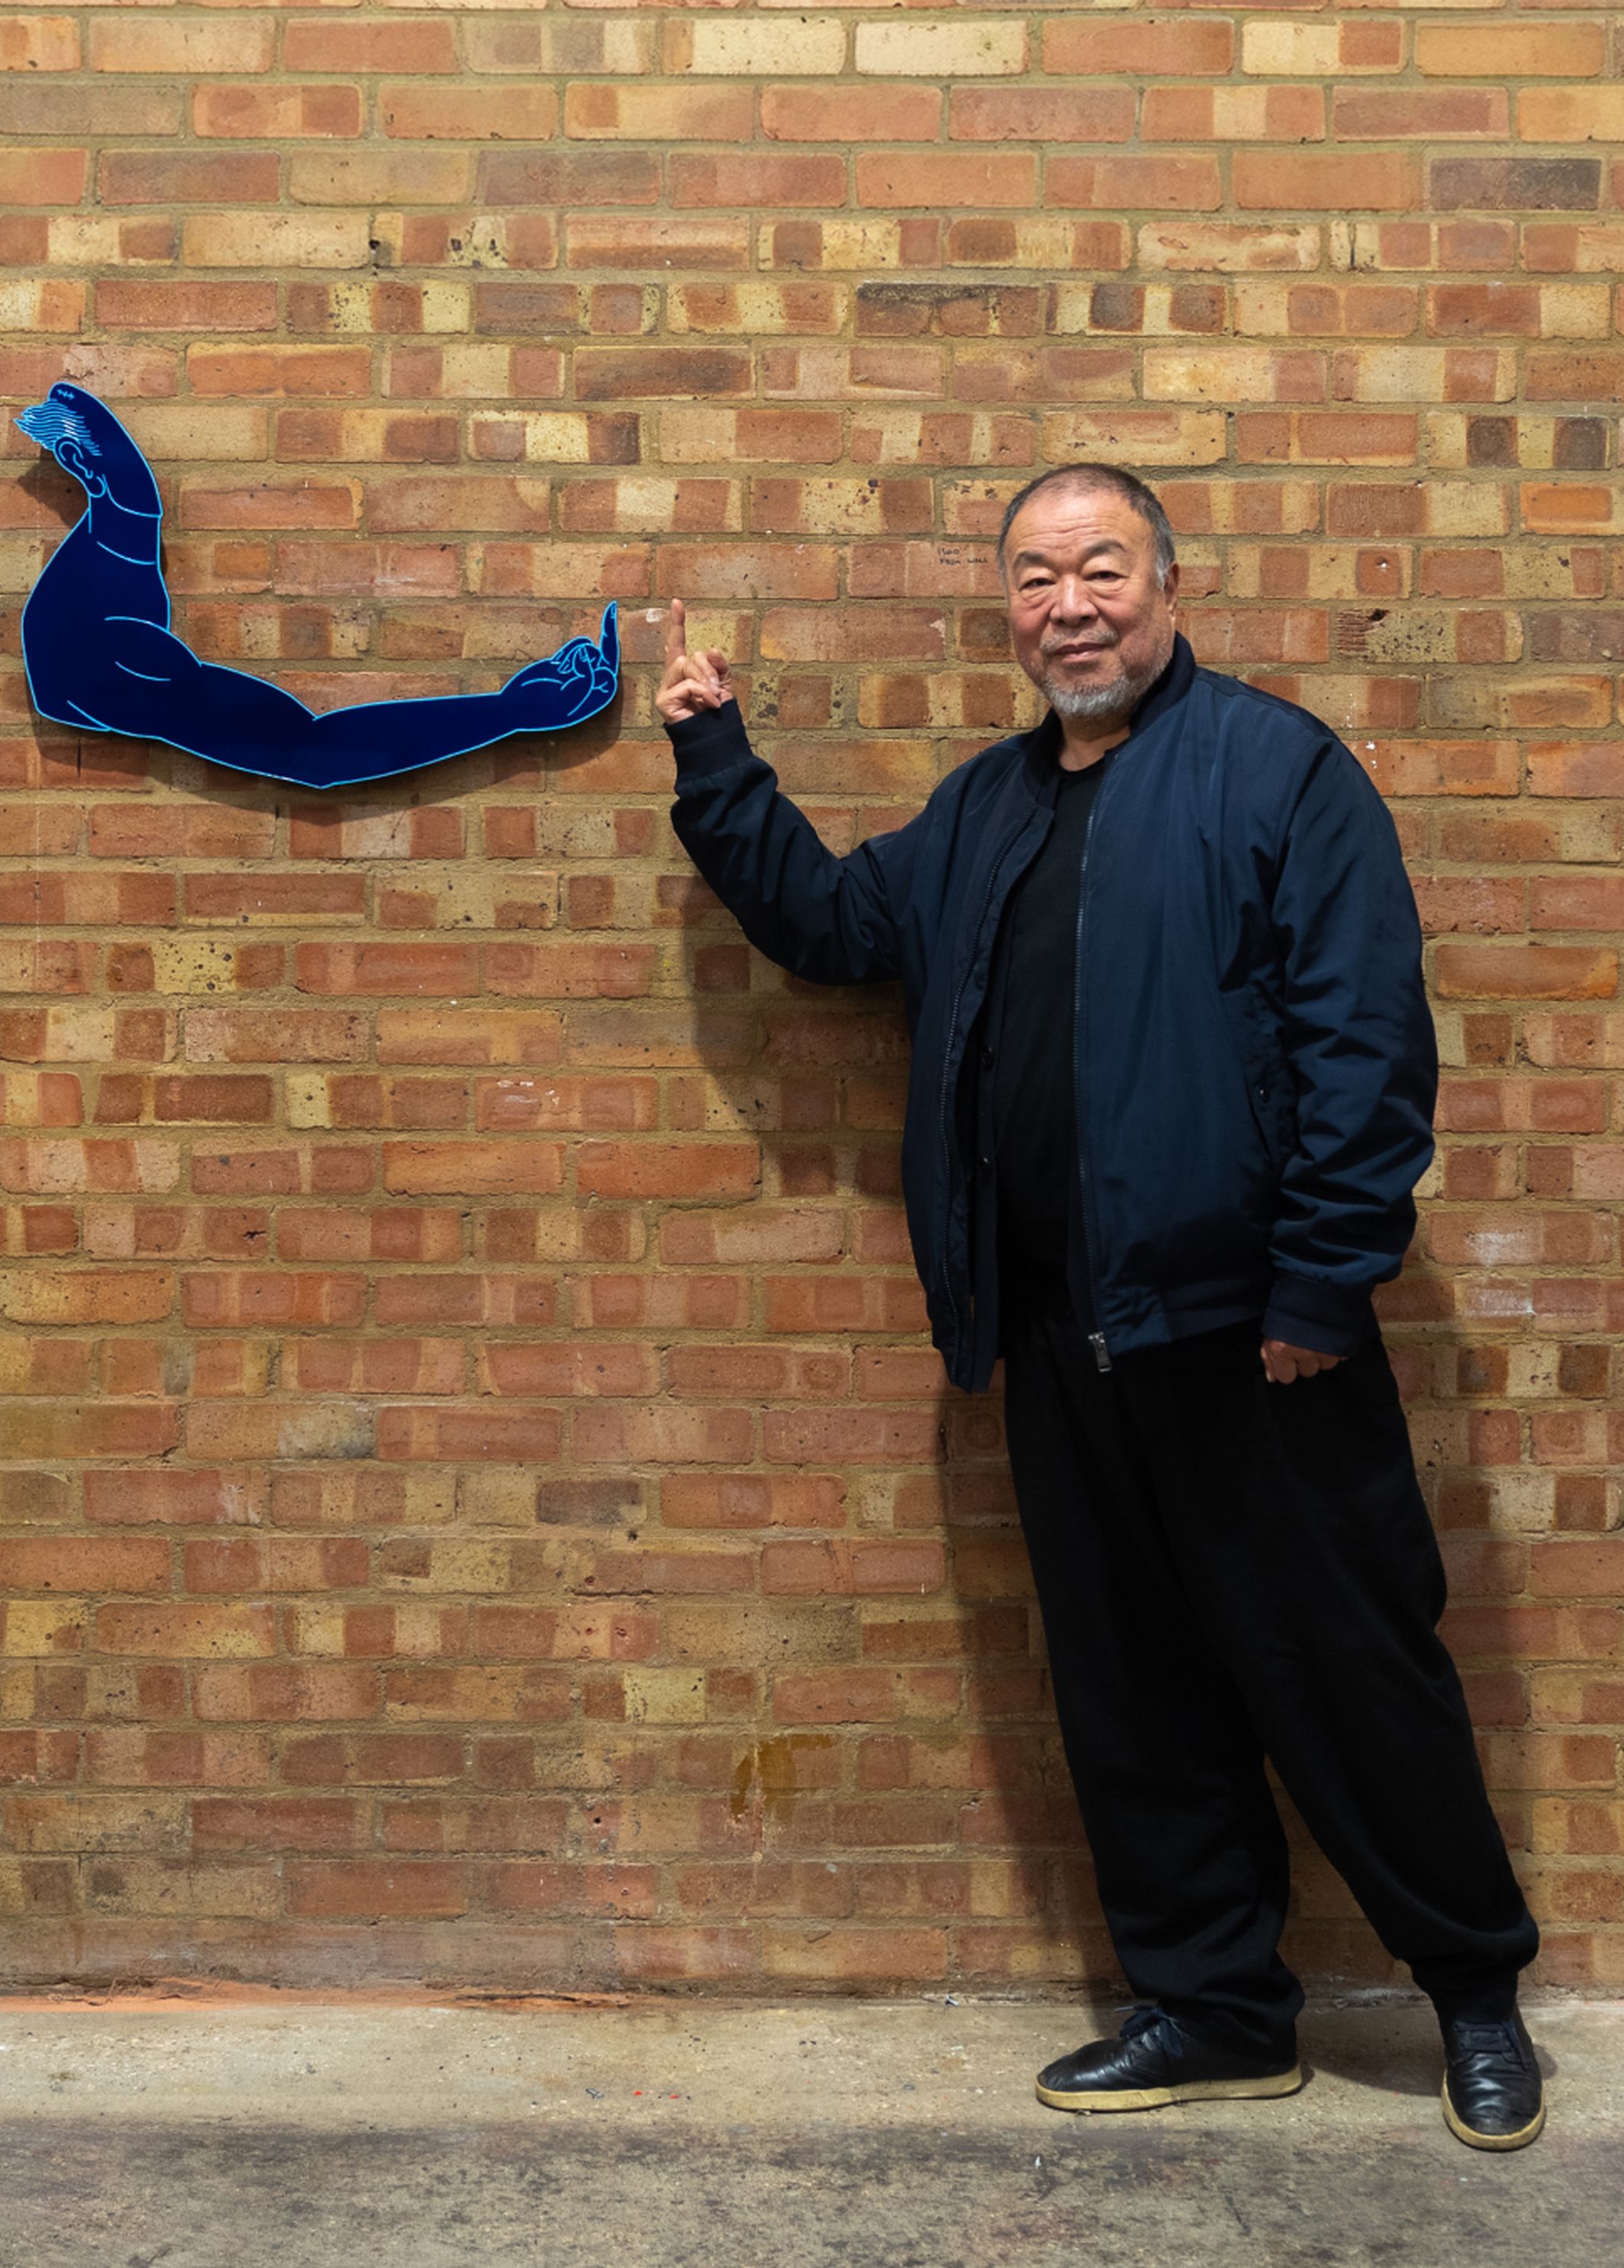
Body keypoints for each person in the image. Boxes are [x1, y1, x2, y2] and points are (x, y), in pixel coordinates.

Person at [657, 462, 1543, 2152]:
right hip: (1058, 1329)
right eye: (1037, 576)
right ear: (1007, 609)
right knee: (1130, 1684)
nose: (1070, 603)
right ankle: (1216, 2008)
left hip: (1255, 1335)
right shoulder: (986, 809)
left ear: (1168, 587)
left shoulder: (1279, 772)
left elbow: (1370, 1051)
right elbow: (838, 927)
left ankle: (1477, 1992)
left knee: (1352, 1672)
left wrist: (1316, 1281)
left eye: (1103, 569)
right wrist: (718, 758)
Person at [15, 383, 618, 790]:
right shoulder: (114, 661)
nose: (143, 496)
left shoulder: (110, 569)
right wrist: (508, 712)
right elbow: (315, 755)